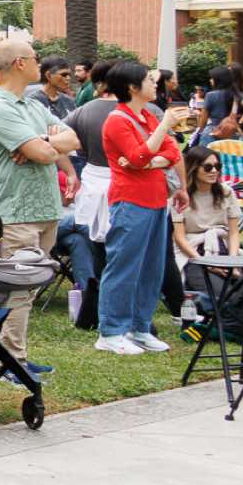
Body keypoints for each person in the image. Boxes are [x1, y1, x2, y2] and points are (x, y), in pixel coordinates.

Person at [0, 40, 78, 385]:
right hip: (15, 212)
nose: (40, 63)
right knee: (17, 291)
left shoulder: (32, 104)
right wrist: (44, 145)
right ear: (20, 63)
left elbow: (72, 140)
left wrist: (41, 143)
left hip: (45, 209)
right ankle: (11, 362)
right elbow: (45, 154)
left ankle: (9, 355)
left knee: (30, 288)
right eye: (35, 58)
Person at [97, 61, 185, 356]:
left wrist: (149, 161)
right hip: (131, 201)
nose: (154, 83)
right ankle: (111, 331)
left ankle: (140, 327)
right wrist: (161, 131)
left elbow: (171, 153)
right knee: (124, 266)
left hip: (156, 199)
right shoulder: (118, 120)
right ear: (132, 88)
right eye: (148, 79)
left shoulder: (146, 116)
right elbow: (136, 157)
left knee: (151, 268)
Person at [172, 146, 242, 261]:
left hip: (222, 245)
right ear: (193, 168)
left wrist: (233, 262)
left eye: (217, 166)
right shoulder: (180, 196)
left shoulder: (226, 192)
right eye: (207, 167)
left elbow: (234, 233)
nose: (214, 171)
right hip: (191, 248)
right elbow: (179, 238)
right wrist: (202, 261)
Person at [29, 56, 77, 121]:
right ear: (48, 75)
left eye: (69, 75)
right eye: (64, 75)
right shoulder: (34, 102)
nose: (68, 78)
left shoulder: (69, 101)